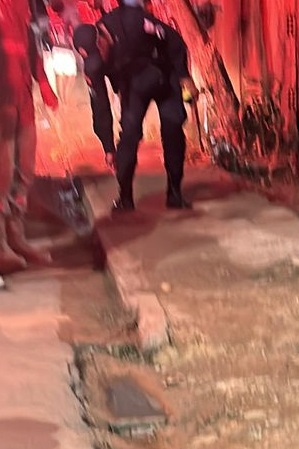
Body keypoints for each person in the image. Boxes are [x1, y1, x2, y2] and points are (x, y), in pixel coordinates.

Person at [72, 0, 197, 211]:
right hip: (134, 87)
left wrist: (184, 76)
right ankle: (125, 199)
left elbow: (174, 40)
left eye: (99, 54)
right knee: (129, 135)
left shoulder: (133, 21)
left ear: (101, 40)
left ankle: (175, 194)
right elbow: (100, 106)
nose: (99, 63)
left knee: (173, 127)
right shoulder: (93, 67)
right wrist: (108, 147)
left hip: (163, 75)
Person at [0, 0, 59, 278]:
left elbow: (31, 37)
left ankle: (15, 236)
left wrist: (42, 81)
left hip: (21, 91)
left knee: (24, 170)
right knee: (1, 174)